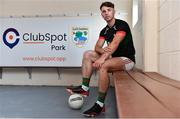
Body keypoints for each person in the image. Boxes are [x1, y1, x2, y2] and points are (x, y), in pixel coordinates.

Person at [67, 1, 135, 117]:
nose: (106, 13)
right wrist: (105, 53)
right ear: (102, 15)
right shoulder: (104, 31)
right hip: (113, 58)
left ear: (114, 11)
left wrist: (103, 58)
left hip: (126, 60)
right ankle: (84, 88)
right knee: (88, 54)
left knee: (103, 65)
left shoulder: (122, 25)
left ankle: (99, 105)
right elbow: (97, 47)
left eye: (109, 10)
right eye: (104, 11)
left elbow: (115, 43)